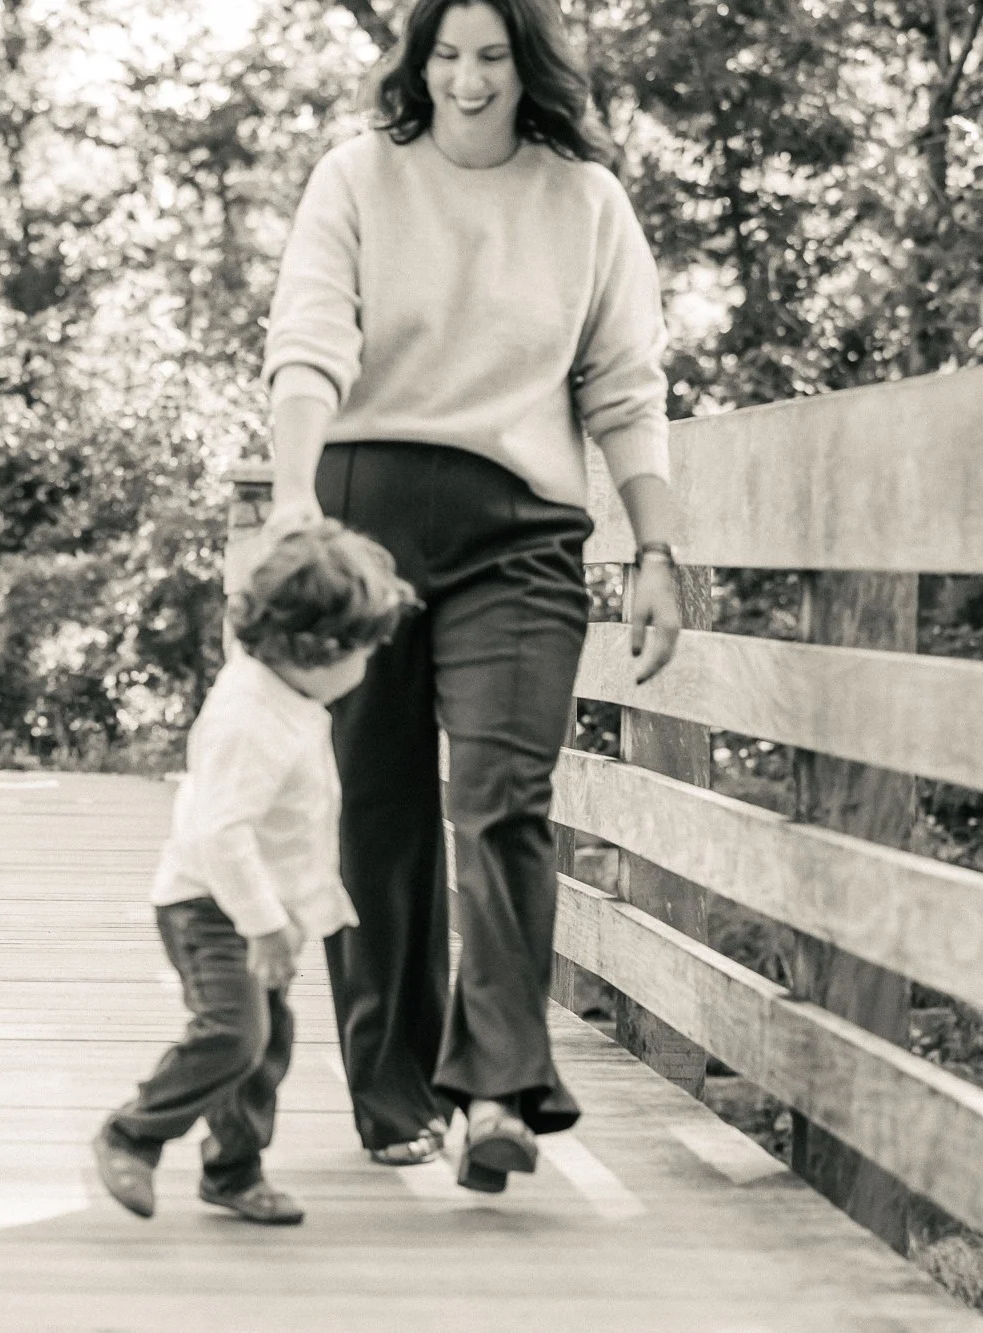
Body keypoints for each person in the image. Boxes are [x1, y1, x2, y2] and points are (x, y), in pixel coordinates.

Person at [261, 0, 685, 1190]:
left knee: (501, 796)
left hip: (521, 531)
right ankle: (391, 1089)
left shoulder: (584, 201)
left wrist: (654, 549)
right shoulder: (356, 176)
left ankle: (499, 1085)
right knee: (376, 812)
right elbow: (307, 341)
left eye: (491, 56)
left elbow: (623, 387)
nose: (465, 80)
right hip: (363, 515)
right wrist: (293, 498)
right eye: (444, 55)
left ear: (527, 66)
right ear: (416, 62)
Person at [91, 520, 418, 1225]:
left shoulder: (286, 693)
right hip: (210, 904)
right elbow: (223, 832)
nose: (369, 663)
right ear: (319, 647)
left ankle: (233, 1169)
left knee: (266, 1041)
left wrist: (298, 905)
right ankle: (133, 1132)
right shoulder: (249, 716)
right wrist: (266, 923)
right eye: (363, 648)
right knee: (233, 1033)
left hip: (253, 902)